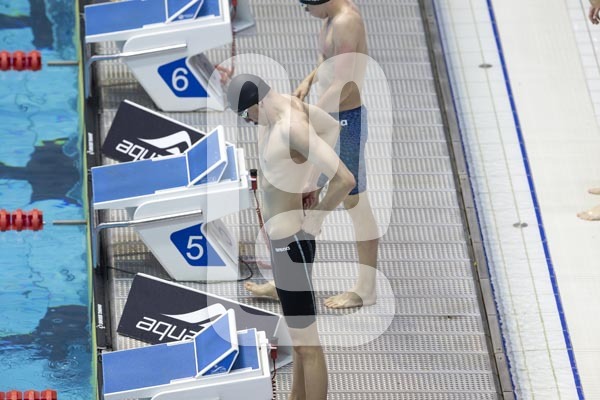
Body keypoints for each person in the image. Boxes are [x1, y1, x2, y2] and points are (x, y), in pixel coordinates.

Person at [227, 74, 355, 400]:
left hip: (292, 244)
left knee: (308, 347)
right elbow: (330, 128)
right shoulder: (287, 105)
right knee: (299, 343)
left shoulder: (291, 127)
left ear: (256, 103)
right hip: (285, 243)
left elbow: (345, 179)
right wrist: (311, 182)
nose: (248, 122)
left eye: (246, 115)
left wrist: (317, 216)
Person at [245, 0, 379, 309]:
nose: (306, 12)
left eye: (307, 7)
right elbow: (330, 61)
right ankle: (288, 282)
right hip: (329, 119)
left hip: (345, 123)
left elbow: (343, 84)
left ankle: (366, 289)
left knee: (355, 204)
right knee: (299, 198)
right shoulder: (333, 16)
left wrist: (309, 117)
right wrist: (309, 79)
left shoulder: (346, 21)